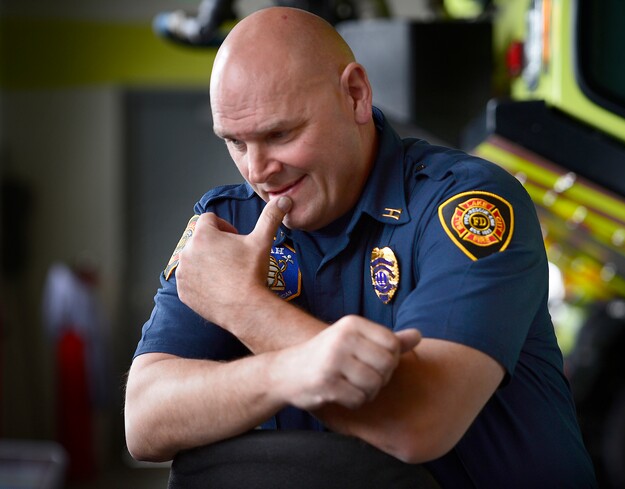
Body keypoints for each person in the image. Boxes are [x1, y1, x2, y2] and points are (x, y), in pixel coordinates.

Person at [124, 6, 597, 488]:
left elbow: (418, 422)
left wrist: (243, 308)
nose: (257, 171)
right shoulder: (227, 222)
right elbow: (144, 421)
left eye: (279, 134)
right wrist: (286, 372)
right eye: (236, 143)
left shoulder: (466, 203)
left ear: (354, 94)